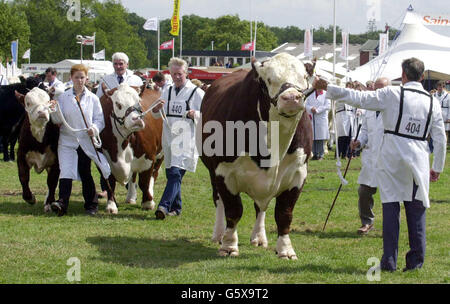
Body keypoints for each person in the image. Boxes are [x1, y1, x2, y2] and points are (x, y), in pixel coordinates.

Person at [314, 57, 446, 272]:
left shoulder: (392, 94)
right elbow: (440, 137)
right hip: (419, 158)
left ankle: (389, 261)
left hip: (393, 157)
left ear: (402, 75)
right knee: (416, 210)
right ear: (422, 77)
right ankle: (415, 262)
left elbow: (359, 98)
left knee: (391, 208)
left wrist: (328, 87)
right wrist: (437, 166)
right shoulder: (433, 102)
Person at [49, 64, 111, 216]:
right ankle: (62, 203)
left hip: (85, 141)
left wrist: (94, 129)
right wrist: (53, 110)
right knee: (66, 171)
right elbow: (58, 120)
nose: (79, 80)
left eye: (82, 77)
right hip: (67, 140)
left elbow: (99, 120)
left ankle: (91, 204)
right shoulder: (63, 97)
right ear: (71, 78)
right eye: (76, 77)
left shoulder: (93, 98)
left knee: (85, 171)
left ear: (86, 78)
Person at [151, 57, 205, 219]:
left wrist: (195, 114)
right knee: (172, 173)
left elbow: (209, 115)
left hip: (186, 138)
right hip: (168, 137)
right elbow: (154, 115)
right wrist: (157, 108)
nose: (177, 77)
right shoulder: (166, 91)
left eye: (180, 74)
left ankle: (163, 206)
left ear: (186, 73)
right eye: (173, 74)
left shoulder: (196, 92)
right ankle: (177, 207)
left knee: (175, 172)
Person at [350, 77, 391, 235]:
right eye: (376, 88)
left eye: (381, 88)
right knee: (364, 191)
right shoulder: (370, 107)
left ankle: (391, 226)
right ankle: (367, 222)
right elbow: (365, 130)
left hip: (389, 156)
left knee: (391, 195)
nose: (378, 92)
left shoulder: (393, 107)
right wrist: (358, 141)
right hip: (371, 156)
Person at [305, 88, 330, 160]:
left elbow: (327, 105)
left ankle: (320, 154)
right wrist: (310, 108)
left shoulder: (325, 94)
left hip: (321, 117)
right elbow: (306, 104)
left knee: (320, 137)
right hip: (312, 116)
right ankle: (314, 154)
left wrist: (317, 110)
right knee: (313, 137)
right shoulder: (311, 94)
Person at [335, 82, 356, 158]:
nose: (350, 88)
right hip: (342, 115)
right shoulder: (341, 95)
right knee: (342, 136)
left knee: (349, 136)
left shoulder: (353, 96)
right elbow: (337, 104)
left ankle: (345, 154)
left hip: (350, 116)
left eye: (351, 87)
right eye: (349, 86)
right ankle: (337, 154)